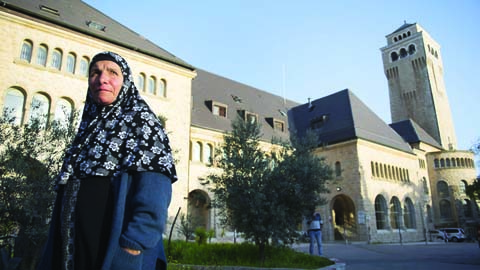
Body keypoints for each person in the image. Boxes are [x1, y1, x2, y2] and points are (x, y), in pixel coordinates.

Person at [37, 51, 176, 270]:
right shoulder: (88, 129)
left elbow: (154, 199)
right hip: (74, 253)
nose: (102, 78)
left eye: (113, 72)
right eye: (95, 72)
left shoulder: (143, 124)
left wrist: (131, 250)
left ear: (126, 82)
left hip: (115, 255)